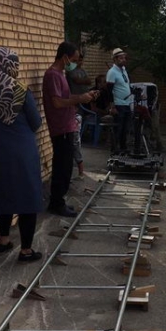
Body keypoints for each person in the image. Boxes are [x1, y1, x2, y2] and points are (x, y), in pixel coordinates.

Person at [0, 47, 43, 262]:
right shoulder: (19, 90)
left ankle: (3, 241)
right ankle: (26, 250)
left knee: (3, 193)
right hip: (21, 153)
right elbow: (36, 122)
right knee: (27, 198)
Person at [42, 42, 97, 217]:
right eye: (73, 60)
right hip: (60, 128)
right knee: (62, 167)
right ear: (65, 57)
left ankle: (59, 201)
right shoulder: (52, 75)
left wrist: (83, 97)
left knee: (66, 166)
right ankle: (57, 203)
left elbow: (66, 97)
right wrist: (79, 99)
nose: (74, 63)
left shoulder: (60, 74)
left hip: (67, 125)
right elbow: (57, 102)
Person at [106, 48, 132, 153]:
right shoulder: (112, 72)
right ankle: (115, 149)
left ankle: (123, 147)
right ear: (115, 59)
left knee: (125, 128)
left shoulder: (124, 70)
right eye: (121, 58)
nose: (123, 60)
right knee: (118, 128)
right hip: (118, 104)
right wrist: (112, 106)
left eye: (124, 58)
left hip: (127, 103)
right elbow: (109, 91)